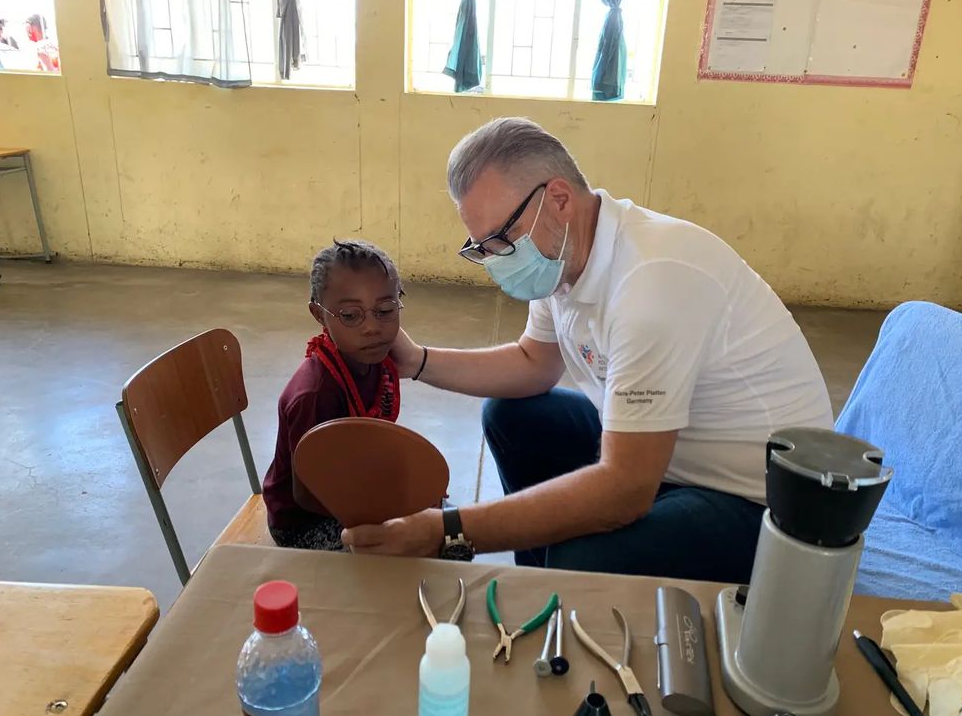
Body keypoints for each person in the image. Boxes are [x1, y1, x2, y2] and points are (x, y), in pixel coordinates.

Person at [342, 117, 834, 584]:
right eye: (481, 248)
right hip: (676, 455)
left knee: (584, 561)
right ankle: (542, 583)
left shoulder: (651, 283)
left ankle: (564, 585)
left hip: (763, 504)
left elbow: (625, 490)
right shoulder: (565, 259)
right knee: (514, 418)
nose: (494, 262)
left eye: (500, 240)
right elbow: (534, 364)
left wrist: (444, 530)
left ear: (558, 199)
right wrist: (416, 362)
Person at [263, 240, 405, 550]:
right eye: (351, 315)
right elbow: (308, 495)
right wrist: (384, 509)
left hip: (354, 486)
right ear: (319, 314)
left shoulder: (376, 361)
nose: (372, 328)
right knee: (416, 547)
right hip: (304, 522)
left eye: (384, 310)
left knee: (451, 531)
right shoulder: (315, 395)